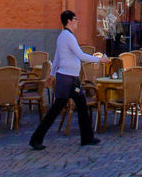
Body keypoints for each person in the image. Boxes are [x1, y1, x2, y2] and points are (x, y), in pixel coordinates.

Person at [29, 10, 104, 151]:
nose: (77, 22)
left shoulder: (63, 36)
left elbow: (57, 57)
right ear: (69, 21)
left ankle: (87, 137)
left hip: (72, 79)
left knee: (81, 106)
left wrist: (52, 74)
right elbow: (80, 55)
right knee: (56, 110)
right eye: (75, 19)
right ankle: (36, 139)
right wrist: (100, 60)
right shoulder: (67, 36)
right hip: (67, 80)